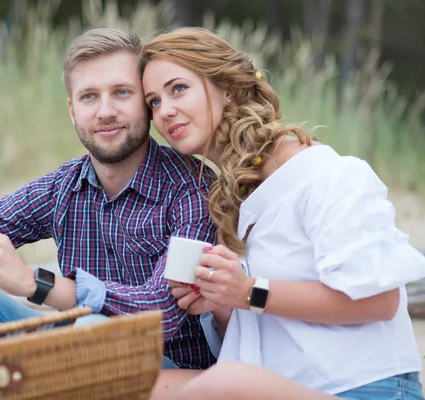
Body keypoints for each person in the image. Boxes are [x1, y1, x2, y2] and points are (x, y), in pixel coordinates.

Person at [0, 28, 218, 370]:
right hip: (74, 358)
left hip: (164, 374)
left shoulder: (192, 189)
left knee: (93, 328)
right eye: (89, 97)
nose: (105, 111)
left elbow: (162, 311)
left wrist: (34, 283)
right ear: (72, 110)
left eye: (121, 92)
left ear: (145, 102)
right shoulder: (63, 188)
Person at [142, 27, 425, 399]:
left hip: (367, 389)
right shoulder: (234, 202)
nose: (165, 111)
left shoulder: (326, 174)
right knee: (134, 379)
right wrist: (222, 302)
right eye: (153, 102)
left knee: (221, 384)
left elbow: (380, 302)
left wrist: (246, 292)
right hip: (284, 387)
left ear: (226, 86)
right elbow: (268, 338)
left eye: (177, 89)